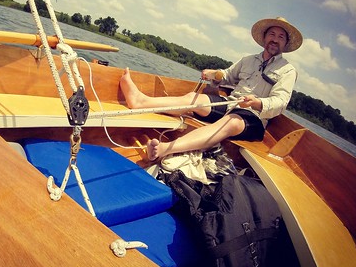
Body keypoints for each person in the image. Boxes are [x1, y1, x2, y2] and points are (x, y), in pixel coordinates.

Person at [120, 17, 303, 161]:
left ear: (285, 44)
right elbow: (227, 75)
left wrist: (257, 103)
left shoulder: (288, 71)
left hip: (253, 117)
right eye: (272, 34)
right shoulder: (248, 60)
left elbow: (280, 102)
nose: (275, 40)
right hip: (230, 104)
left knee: (230, 122)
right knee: (195, 98)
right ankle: (140, 101)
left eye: (281, 37)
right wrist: (215, 74)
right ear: (264, 37)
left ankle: (165, 149)